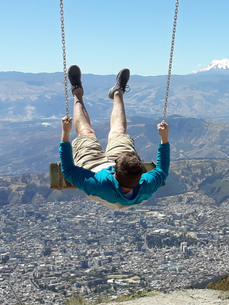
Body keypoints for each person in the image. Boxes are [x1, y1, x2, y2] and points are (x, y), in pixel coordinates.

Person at [59, 65, 170, 209]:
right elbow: (162, 170)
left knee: (86, 133)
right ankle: (118, 93)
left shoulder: (98, 184)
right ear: (141, 175)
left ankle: (77, 92)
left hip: (94, 168)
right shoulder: (147, 183)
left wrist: (65, 133)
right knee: (118, 131)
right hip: (122, 175)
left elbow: (68, 171)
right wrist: (164, 139)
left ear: (114, 174)